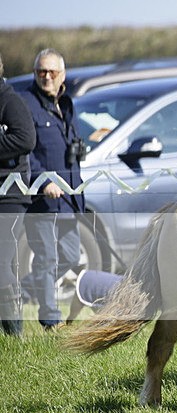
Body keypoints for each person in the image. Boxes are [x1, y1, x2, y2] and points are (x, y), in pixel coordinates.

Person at [19, 49, 85, 332]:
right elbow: (24, 150)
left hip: (69, 196)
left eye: (52, 72)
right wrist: (43, 181)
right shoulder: (26, 104)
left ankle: (25, 288)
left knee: (70, 256)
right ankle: (50, 320)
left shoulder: (66, 104)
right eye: (41, 72)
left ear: (63, 75)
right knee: (46, 258)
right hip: (42, 198)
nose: (46, 77)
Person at [0, 52, 37, 336]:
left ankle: (16, 335)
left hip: (10, 196)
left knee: (2, 263)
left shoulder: (10, 100)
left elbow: (25, 138)